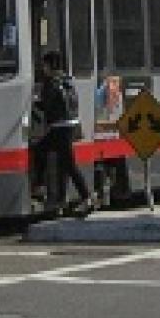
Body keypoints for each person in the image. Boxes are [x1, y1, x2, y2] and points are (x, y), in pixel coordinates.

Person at [34, 51, 93, 216]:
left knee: (48, 154)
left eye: (44, 65)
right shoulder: (68, 79)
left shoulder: (50, 82)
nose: (43, 68)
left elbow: (46, 105)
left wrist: (35, 104)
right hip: (71, 125)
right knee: (63, 162)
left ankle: (86, 198)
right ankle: (58, 198)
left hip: (59, 127)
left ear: (50, 65)